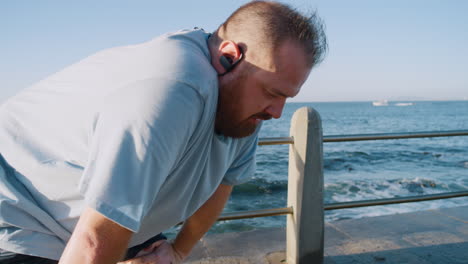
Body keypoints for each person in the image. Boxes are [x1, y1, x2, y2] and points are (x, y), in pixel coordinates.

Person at [0, 1, 327, 263]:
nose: (278, 111)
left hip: (115, 227)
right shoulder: (172, 89)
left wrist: (178, 250)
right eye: (272, 93)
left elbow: (221, 186)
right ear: (229, 57)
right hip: (21, 214)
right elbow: (94, 239)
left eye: (286, 96)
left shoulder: (246, 110)